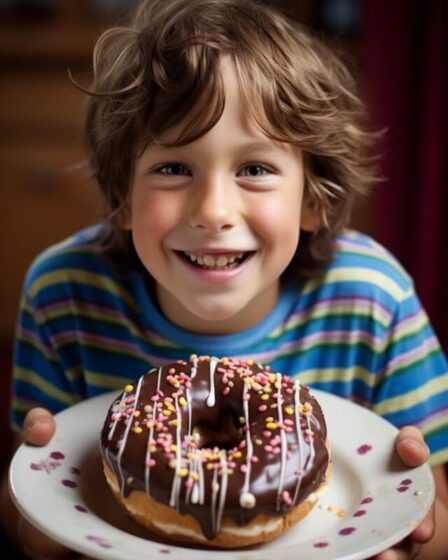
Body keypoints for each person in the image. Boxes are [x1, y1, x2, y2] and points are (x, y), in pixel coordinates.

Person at [1, 0, 447, 558]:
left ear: (312, 198)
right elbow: (20, 505)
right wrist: (42, 521)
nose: (213, 210)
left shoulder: (375, 303)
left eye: (254, 169)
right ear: (122, 197)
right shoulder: (66, 294)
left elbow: (437, 522)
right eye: (173, 168)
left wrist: (407, 539)